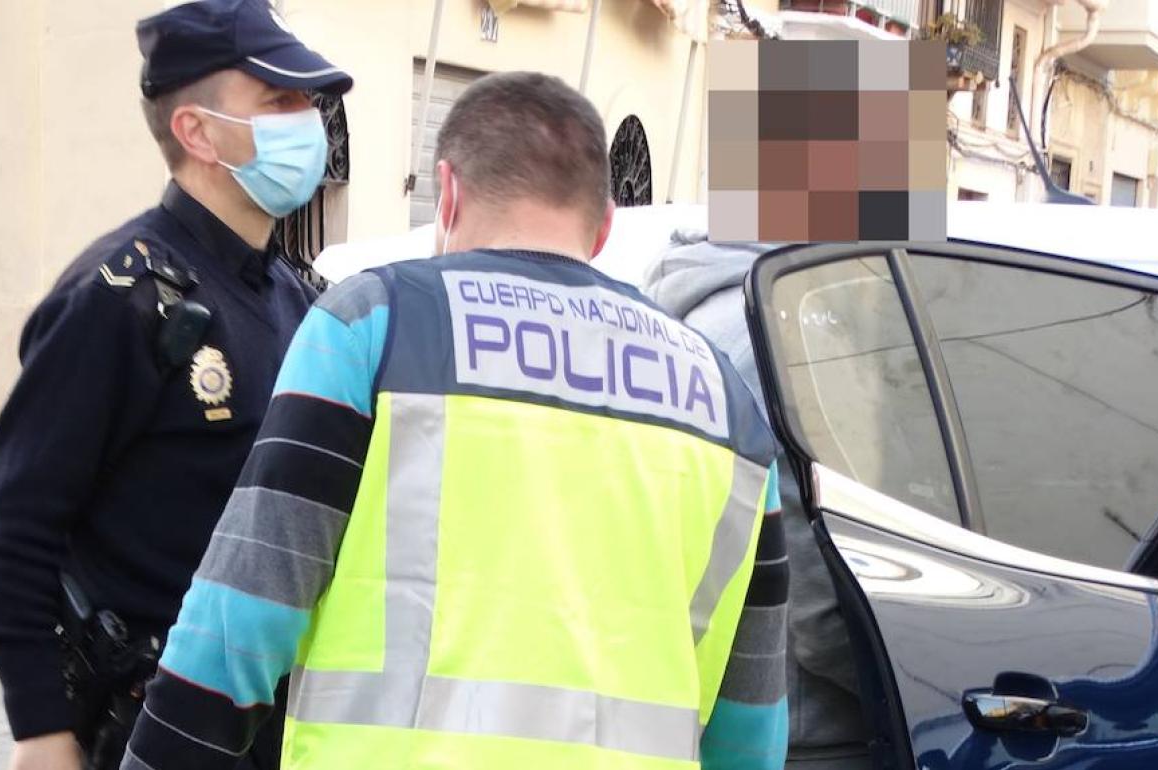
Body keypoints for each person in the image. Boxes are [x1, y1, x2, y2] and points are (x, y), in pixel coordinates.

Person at [121, 71, 790, 770]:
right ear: (604, 227)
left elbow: (239, 624)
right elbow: (751, 723)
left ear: (447, 192)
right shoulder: (724, 401)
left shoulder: (374, 325)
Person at [0, 2, 352, 769]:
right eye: (277, 101)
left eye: (307, 102)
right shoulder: (120, 297)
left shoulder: (296, 300)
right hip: (151, 729)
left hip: (271, 726)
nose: (306, 121)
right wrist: (41, 730)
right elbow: (6, 531)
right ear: (197, 132)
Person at [644, 232, 871, 770]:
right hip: (802, 737)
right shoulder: (796, 333)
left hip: (681, 715)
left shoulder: (669, 321)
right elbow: (819, 611)